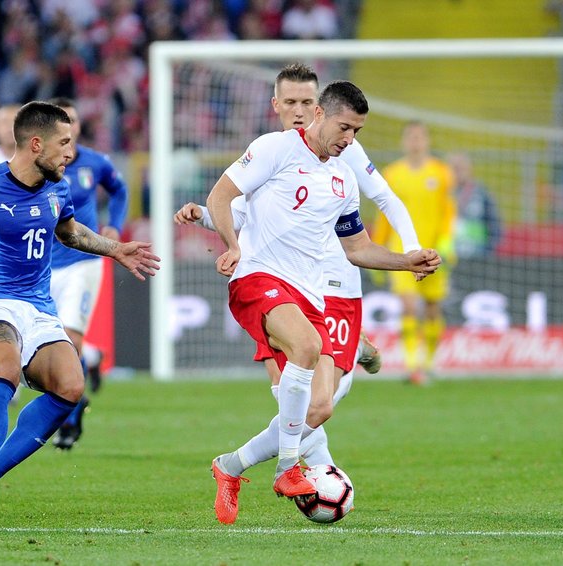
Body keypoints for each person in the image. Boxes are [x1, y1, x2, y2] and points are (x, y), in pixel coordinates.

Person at [176, 63, 422, 524]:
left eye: (357, 131)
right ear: (321, 115)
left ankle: (230, 467)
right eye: (345, 127)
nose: (350, 138)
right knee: (307, 347)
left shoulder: (344, 179)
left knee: (321, 405)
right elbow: (221, 196)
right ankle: (289, 468)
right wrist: (230, 244)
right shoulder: (273, 148)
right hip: (258, 278)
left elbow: (358, 248)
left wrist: (406, 260)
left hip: (312, 295)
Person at [0, 101, 159, 529]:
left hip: (38, 307)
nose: (70, 153)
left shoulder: (57, 188)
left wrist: (116, 249)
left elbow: (70, 232)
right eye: (64, 143)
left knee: (71, 385)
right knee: (4, 368)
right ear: (35, 143)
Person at [46, 96, 129, 449]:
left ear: (78, 126)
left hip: (84, 261)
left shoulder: (95, 162)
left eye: (74, 120)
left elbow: (120, 190)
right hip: (45, 265)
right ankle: (91, 359)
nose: (70, 126)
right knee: (50, 343)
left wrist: (115, 226)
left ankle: (71, 416)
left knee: (68, 340)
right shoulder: (37, 168)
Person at [372, 121, 456, 385]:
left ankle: (430, 362)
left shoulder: (441, 172)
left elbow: (448, 210)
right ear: (403, 141)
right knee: (408, 307)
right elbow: (384, 213)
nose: (415, 142)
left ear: (427, 141)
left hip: (432, 250)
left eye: (420, 137)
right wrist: (377, 246)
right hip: (402, 252)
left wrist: (446, 241)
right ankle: (412, 366)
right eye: (411, 137)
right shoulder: (393, 174)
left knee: (433, 308)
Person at [447, 152, 501, 259]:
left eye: (461, 168)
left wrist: (488, 250)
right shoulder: (442, 193)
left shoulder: (481, 193)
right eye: (454, 168)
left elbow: (495, 224)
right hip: (448, 257)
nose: (457, 172)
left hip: (477, 255)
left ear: (469, 169)